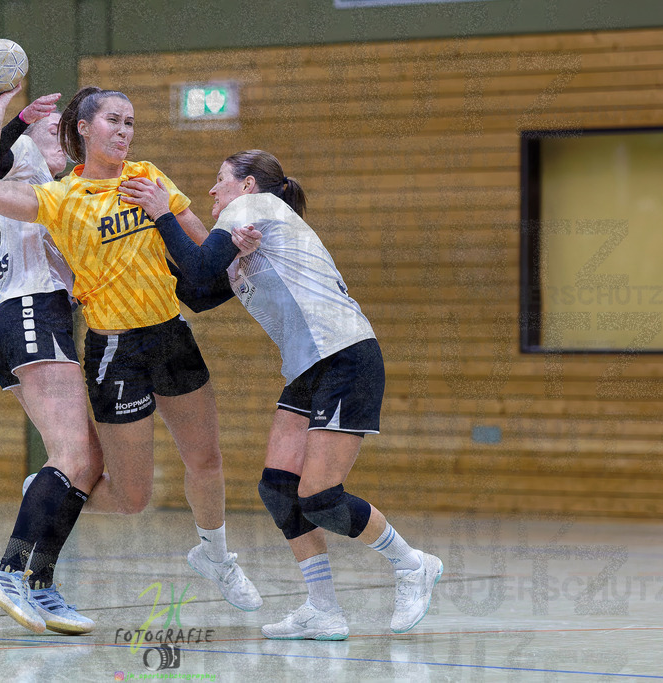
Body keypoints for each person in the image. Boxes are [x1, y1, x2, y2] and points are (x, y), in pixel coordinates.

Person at [119, 149, 443, 640]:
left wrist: (165, 212)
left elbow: (203, 268)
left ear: (247, 185)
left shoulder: (252, 210)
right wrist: (147, 238)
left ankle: (412, 563)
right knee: (277, 488)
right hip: (309, 367)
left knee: (321, 496)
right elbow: (200, 292)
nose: (212, 190)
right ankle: (324, 609)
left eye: (220, 180)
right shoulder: (248, 231)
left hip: (344, 355)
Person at [0, 79, 262, 613]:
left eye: (130, 123)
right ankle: (50, 491)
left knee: (208, 459)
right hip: (114, 351)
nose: (125, 132)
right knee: (132, 499)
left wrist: (238, 247)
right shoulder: (61, 197)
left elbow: (203, 246)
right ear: (83, 128)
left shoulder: (148, 177)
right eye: (113, 121)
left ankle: (217, 556)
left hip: (171, 335)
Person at [0, 91, 104, 636]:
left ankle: (41, 582)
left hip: (33, 316)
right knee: (74, 453)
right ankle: (7, 571)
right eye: (56, 133)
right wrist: (5, 116)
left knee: (86, 461)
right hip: (27, 309)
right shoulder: (22, 158)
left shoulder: (64, 190)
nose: (64, 143)